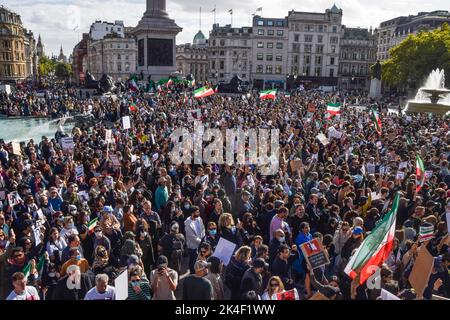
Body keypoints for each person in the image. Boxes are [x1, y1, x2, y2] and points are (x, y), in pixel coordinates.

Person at [184, 206, 205, 274]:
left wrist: (203, 238)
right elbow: (191, 236)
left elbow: (203, 229)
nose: (199, 213)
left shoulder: (199, 219)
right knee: (193, 259)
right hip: (192, 245)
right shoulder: (187, 223)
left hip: (201, 243)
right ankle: (192, 272)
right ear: (192, 213)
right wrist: (201, 242)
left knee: (199, 259)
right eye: (197, 212)